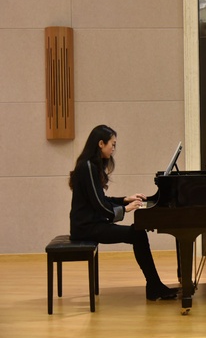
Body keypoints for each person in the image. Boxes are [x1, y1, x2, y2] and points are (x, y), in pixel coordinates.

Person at [69, 125, 178, 301]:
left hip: (91, 223)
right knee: (138, 234)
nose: (114, 148)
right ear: (101, 143)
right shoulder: (87, 167)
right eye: (112, 144)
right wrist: (125, 209)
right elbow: (99, 204)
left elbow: (101, 200)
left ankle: (154, 285)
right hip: (86, 227)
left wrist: (125, 200)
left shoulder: (90, 166)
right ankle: (154, 286)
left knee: (138, 234)